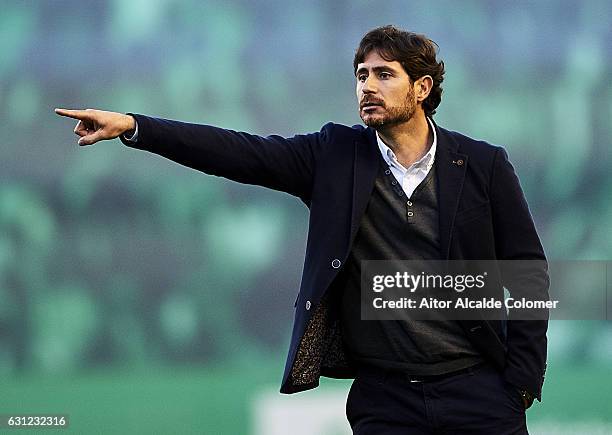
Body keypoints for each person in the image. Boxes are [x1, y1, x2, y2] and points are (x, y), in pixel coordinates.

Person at [56, 25, 549, 435]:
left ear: (421, 89)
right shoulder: (334, 156)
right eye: (361, 76)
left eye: (384, 75)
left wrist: (521, 383)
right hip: (387, 400)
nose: (367, 87)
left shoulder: (482, 164)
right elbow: (238, 152)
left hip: (478, 391)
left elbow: (528, 272)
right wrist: (135, 127)